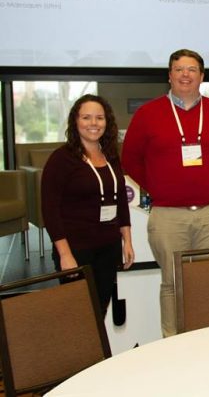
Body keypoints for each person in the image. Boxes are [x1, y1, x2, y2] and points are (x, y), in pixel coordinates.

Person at [121, 49, 209, 336]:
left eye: (191, 69)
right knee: (172, 283)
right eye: (179, 69)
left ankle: (207, 338)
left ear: (201, 76)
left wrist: (208, 182)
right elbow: (130, 159)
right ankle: (173, 344)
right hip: (168, 215)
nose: (185, 74)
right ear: (169, 75)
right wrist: (160, 186)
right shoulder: (148, 114)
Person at [42, 94, 135, 315]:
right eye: (86, 117)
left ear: (107, 122)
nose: (93, 123)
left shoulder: (110, 156)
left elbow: (120, 199)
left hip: (109, 248)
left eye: (99, 118)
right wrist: (65, 255)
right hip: (76, 249)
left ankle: (97, 352)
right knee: (78, 314)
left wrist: (127, 241)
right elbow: (50, 210)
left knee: (100, 308)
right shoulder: (61, 159)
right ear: (75, 121)